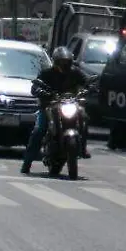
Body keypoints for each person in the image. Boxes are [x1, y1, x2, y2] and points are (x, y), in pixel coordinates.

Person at [23, 47, 88, 175]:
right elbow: (35, 86)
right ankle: (27, 163)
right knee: (39, 130)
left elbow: (86, 81)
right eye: (62, 62)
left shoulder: (75, 73)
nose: (65, 65)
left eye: (67, 62)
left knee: (84, 117)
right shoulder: (47, 73)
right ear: (55, 62)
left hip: (69, 104)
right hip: (49, 106)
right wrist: (40, 91)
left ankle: (83, 148)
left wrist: (89, 87)